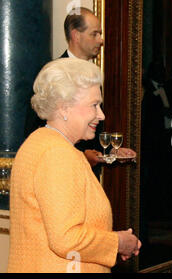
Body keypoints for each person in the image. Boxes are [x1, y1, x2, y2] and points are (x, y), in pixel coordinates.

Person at [8, 58, 141, 273]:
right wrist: (117, 242)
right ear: (64, 107)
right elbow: (66, 237)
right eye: (94, 105)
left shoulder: (40, 142)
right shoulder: (57, 154)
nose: (101, 114)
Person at [24, 7, 135, 168]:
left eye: (100, 34)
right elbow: (36, 130)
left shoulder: (92, 75)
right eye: (94, 34)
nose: (101, 40)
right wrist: (81, 155)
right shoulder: (52, 74)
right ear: (76, 35)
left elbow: (91, 130)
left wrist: (110, 151)